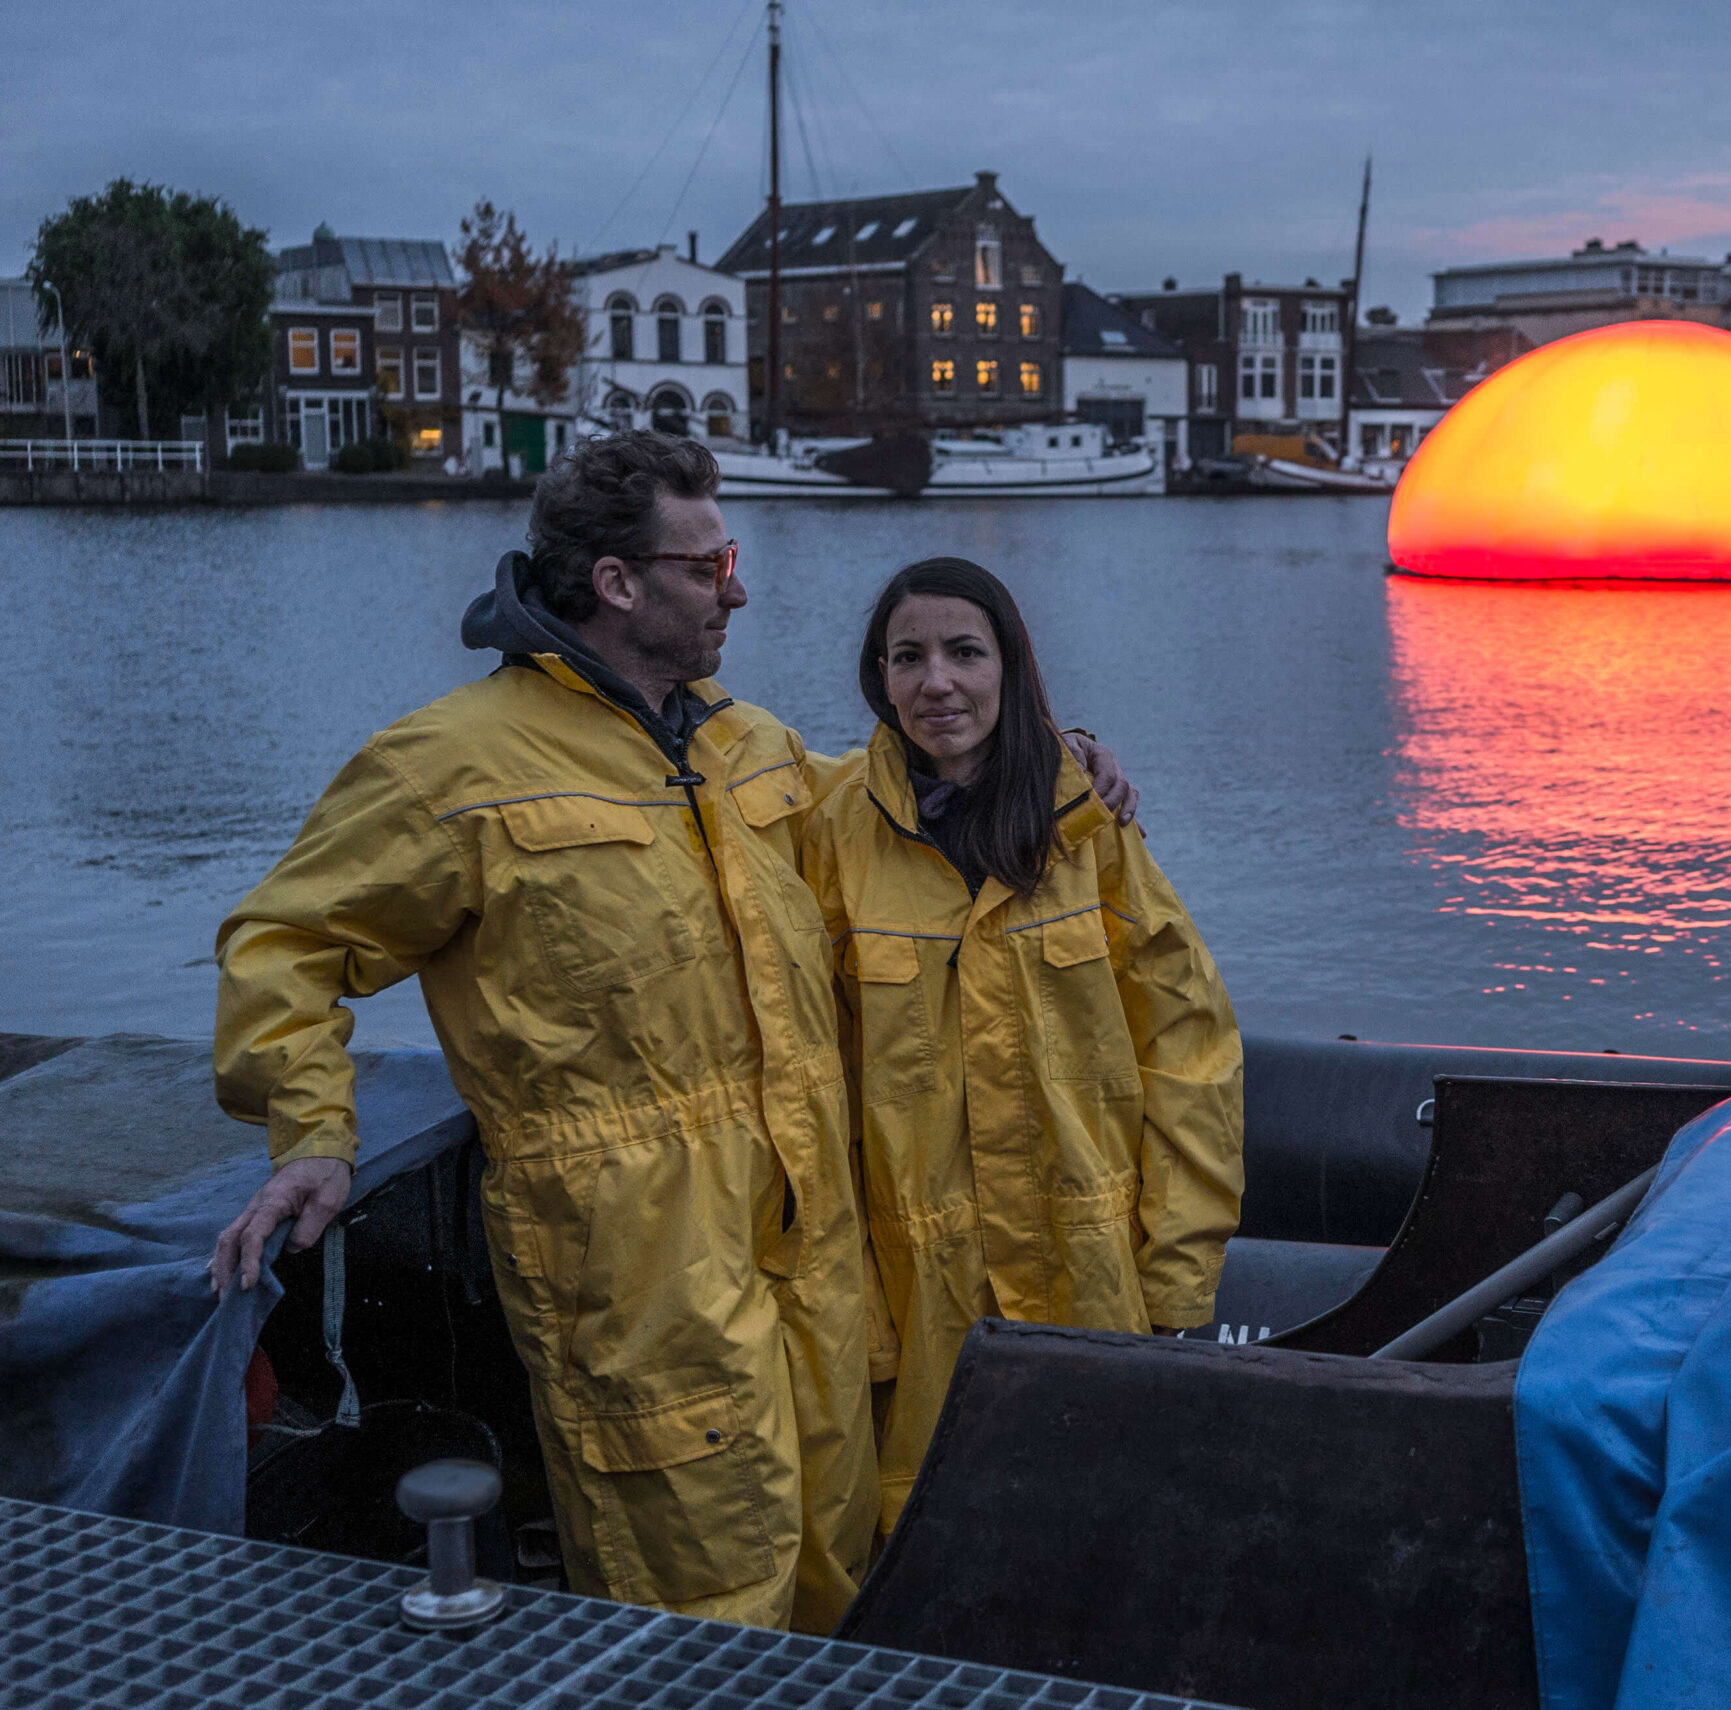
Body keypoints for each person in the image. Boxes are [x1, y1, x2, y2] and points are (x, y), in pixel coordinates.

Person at [205, 433, 1133, 1630]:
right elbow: (282, 943)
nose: (736, 589)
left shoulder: (747, 744)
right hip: (635, 1275)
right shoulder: (453, 765)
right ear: (618, 582)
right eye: (712, 565)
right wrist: (313, 1133)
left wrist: (1058, 754)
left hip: (813, 1250)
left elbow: (900, 801)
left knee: (841, 1570)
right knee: (699, 1608)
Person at [800, 556, 1244, 1533]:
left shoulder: (1088, 826)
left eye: (965, 652)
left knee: (1097, 1518)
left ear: (1011, 667)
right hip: (917, 1287)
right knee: (928, 1526)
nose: (937, 681)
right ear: (879, 676)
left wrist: (1175, 1272)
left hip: (1087, 1271)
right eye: (907, 657)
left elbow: (1187, 1046)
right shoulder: (828, 827)